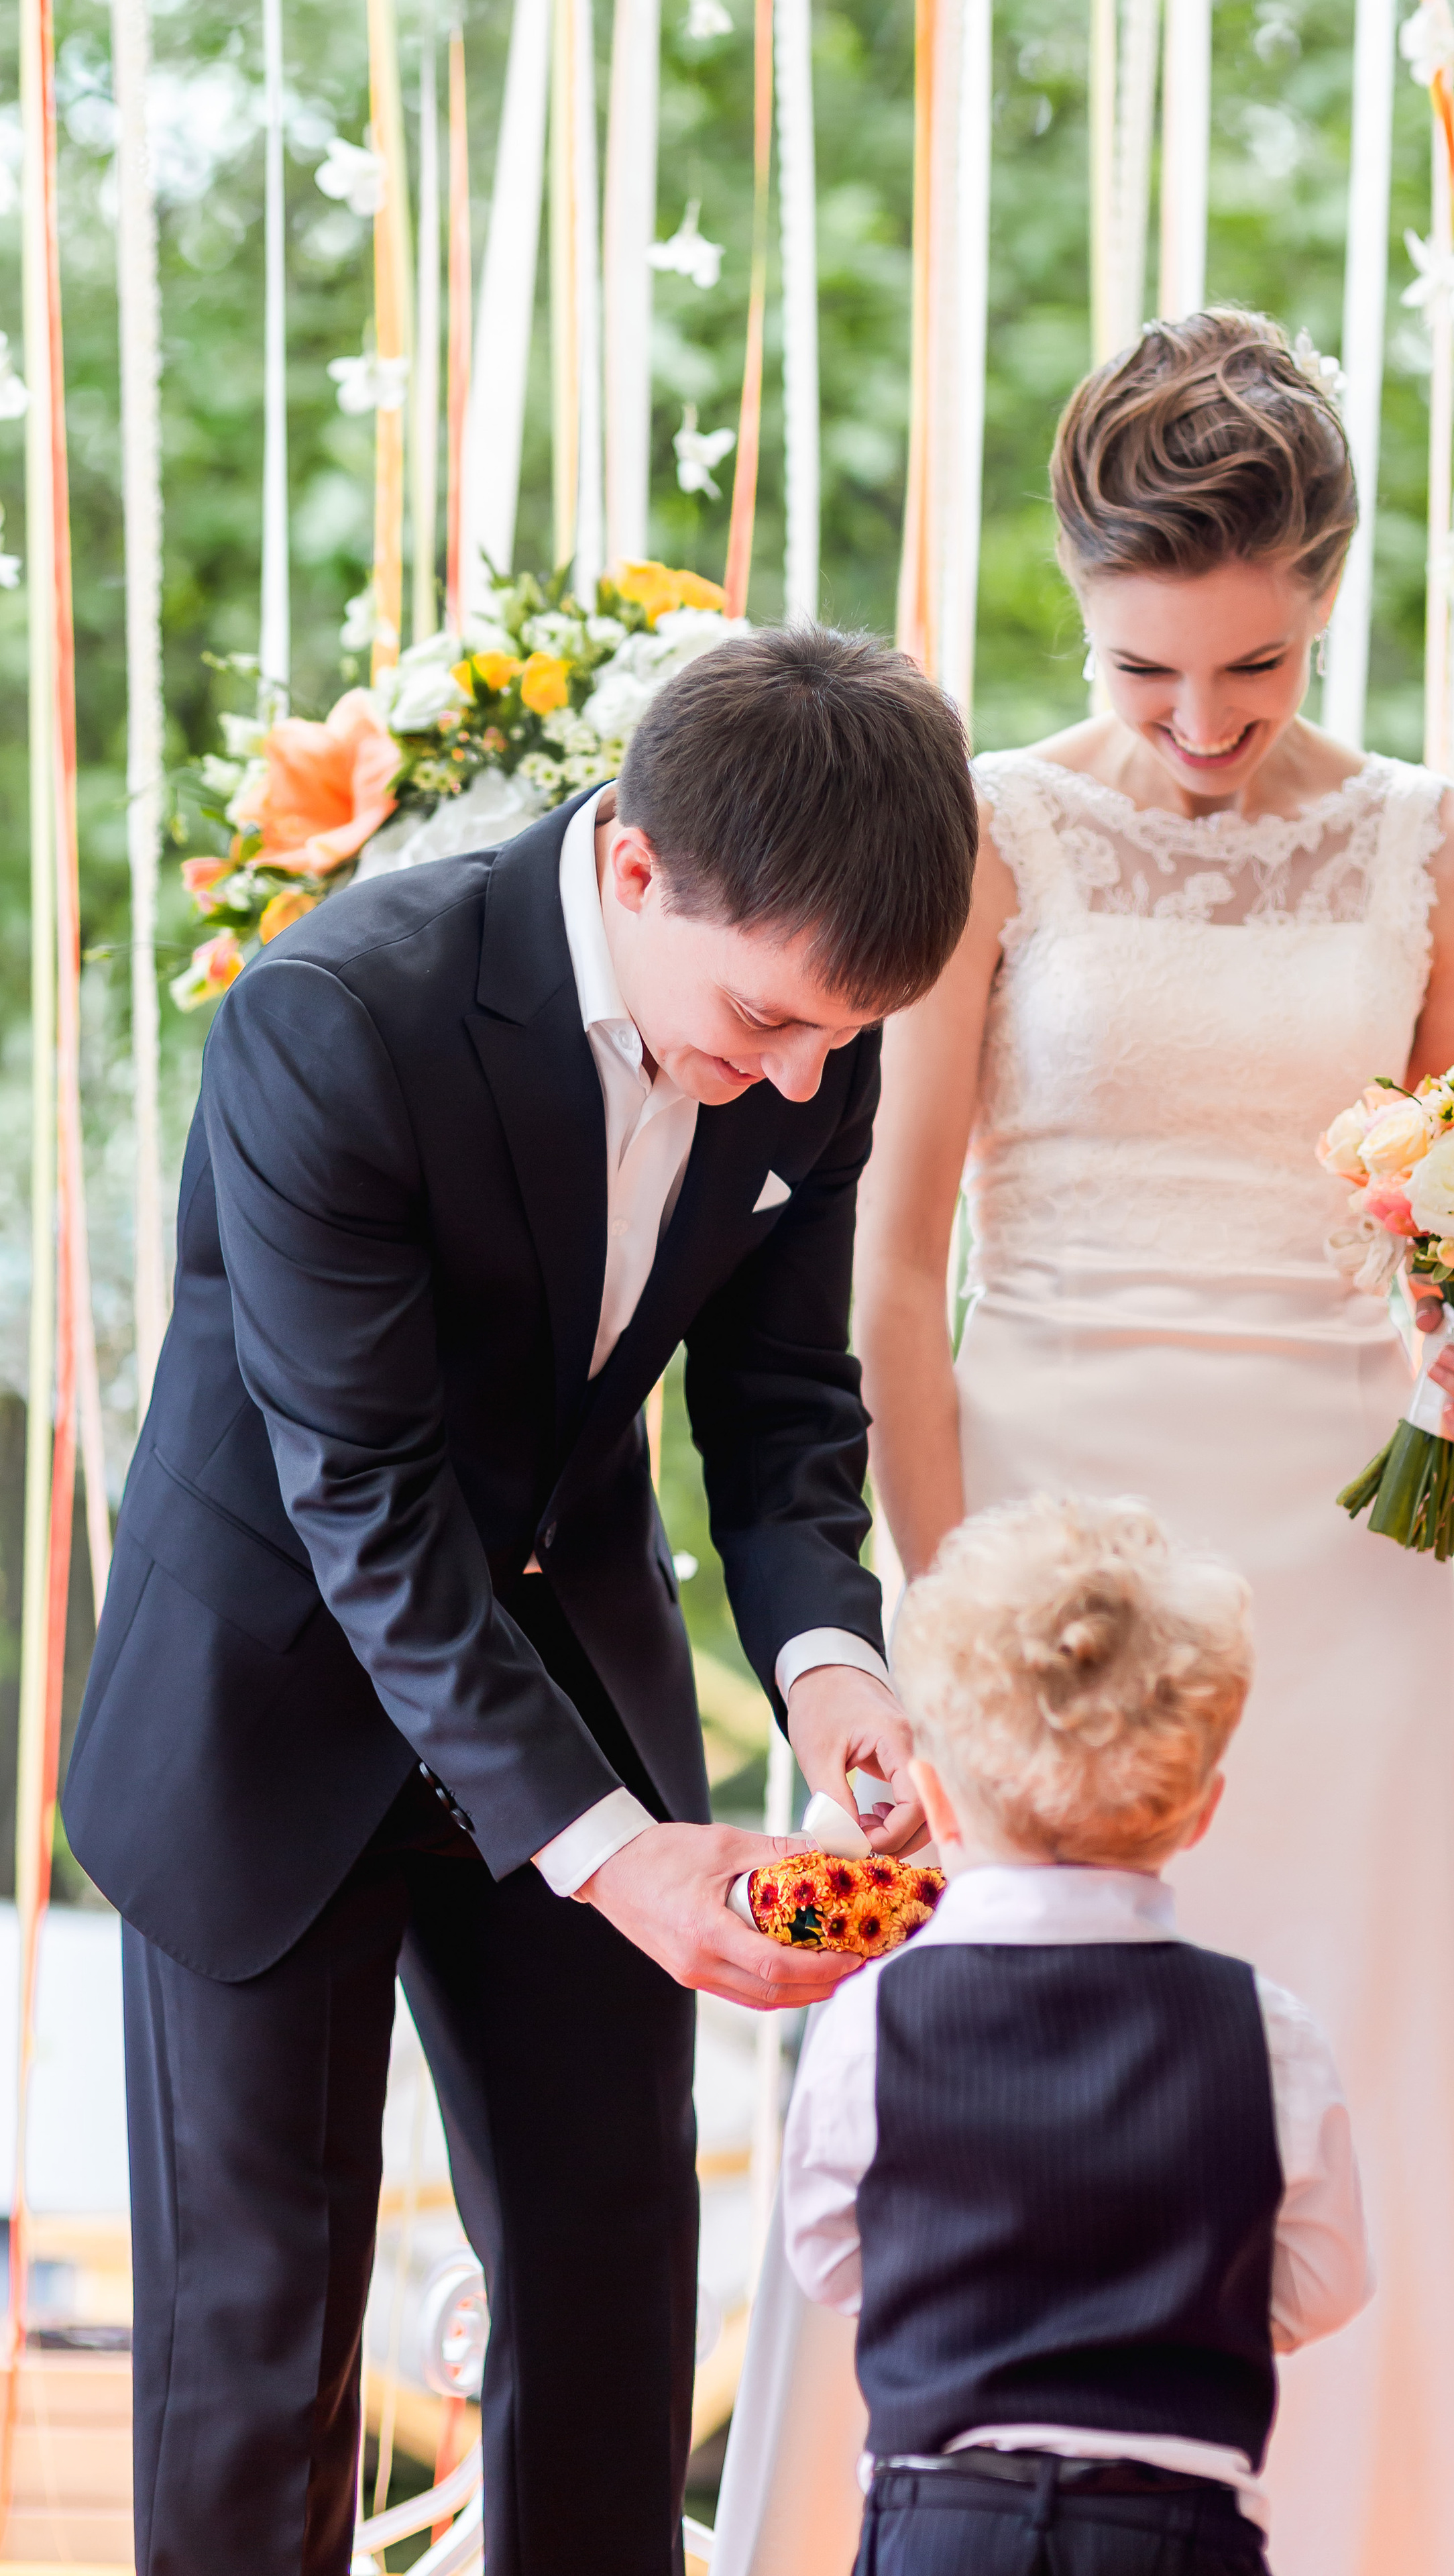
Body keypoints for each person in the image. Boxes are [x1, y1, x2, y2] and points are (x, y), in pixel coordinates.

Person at [716, 312, 1454, 2576]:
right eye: (1143, 676)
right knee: (983, 2058)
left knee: (1354, 2058)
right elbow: (892, 1269)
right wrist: (927, 1611)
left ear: (1329, 599)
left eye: (1257, 674)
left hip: (1349, 1550)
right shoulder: (988, 829)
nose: (1198, 734)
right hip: (1037, 1515)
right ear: (1075, 612)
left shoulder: (1445, 855)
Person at [60, 625, 978, 2576]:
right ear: (635, 866)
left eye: (838, 1039)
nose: (805, 1079)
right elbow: (371, 1511)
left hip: (576, 1651)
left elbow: (784, 1400)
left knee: (612, 2288)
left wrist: (829, 1665)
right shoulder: (335, 1016)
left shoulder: (813, 1019)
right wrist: (621, 1856)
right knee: (255, 2345)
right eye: (769, 1025)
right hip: (269, 1703)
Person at [781, 1493, 1373, 2576]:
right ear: (1201, 1810)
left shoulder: (878, 2014)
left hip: (939, 2522)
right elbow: (1327, 2277)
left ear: (939, 1804)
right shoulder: (1269, 2034)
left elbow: (827, 2252)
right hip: (1179, 2527)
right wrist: (1191, 2312)